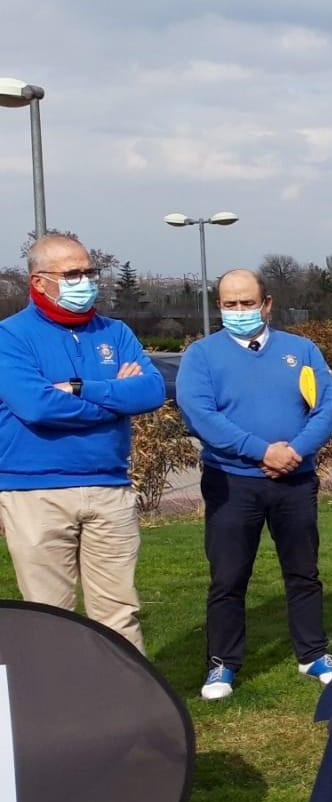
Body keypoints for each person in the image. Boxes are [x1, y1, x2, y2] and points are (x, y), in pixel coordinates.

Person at [178, 269, 332, 699]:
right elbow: (200, 415)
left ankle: (313, 653)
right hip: (232, 483)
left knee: (303, 572)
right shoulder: (201, 355)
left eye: (247, 303)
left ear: (267, 304)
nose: (239, 311)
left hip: (295, 480)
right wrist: (261, 451)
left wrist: (295, 452)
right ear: (219, 308)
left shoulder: (302, 350)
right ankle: (223, 663)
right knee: (229, 577)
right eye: (230, 304)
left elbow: (326, 407)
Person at [0, 234, 164, 651]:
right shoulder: (10, 336)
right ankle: (56, 710)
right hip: (35, 493)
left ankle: (130, 707)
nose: (86, 281)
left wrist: (76, 388)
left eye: (90, 271)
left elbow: (151, 391)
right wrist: (114, 399)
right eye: (72, 274)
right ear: (38, 282)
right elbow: (37, 406)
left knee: (119, 613)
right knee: (49, 614)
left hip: (109, 489)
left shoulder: (116, 331)